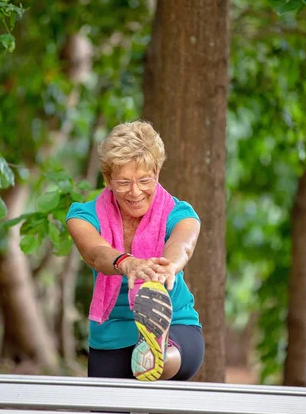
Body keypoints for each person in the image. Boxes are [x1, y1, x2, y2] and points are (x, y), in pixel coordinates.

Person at [66, 120, 204, 381]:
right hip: (111, 337)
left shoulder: (181, 213)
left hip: (176, 324)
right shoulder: (83, 216)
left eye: (144, 180)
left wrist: (168, 267)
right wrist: (127, 263)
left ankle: (159, 351)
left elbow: (183, 245)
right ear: (107, 179)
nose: (135, 191)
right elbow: (95, 252)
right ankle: (154, 353)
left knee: (164, 361)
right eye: (123, 182)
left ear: (158, 173)